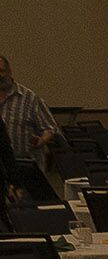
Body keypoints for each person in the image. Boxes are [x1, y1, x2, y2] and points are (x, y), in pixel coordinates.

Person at [0, 56, 55, 210]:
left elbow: (49, 127)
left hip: (27, 167)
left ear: (10, 71)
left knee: (30, 212)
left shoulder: (29, 98)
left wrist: (41, 140)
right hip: (3, 168)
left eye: (2, 71)